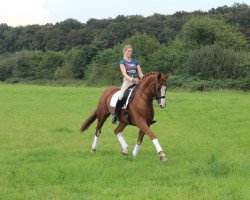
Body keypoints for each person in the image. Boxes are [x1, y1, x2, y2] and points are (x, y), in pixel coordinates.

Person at [111, 44, 144, 124]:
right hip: (127, 81)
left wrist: (143, 79)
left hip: (137, 81)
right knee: (121, 95)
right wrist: (131, 80)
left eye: (131, 51)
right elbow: (124, 74)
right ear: (124, 52)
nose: (130, 53)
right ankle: (115, 115)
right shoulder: (122, 62)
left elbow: (140, 73)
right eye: (128, 51)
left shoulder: (136, 62)